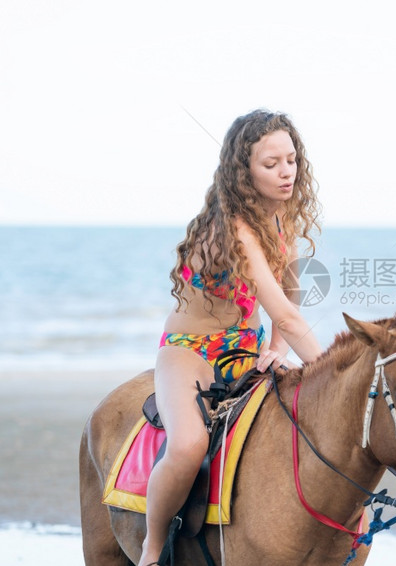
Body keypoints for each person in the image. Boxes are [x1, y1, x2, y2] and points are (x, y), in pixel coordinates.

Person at [139, 109, 324, 565]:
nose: (286, 172)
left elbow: (291, 300)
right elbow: (287, 313)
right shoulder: (235, 229)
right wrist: (328, 370)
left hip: (246, 350)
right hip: (190, 354)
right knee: (187, 447)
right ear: (244, 172)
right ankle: (151, 547)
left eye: (291, 160)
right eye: (270, 164)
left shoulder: (283, 223)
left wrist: (276, 350)